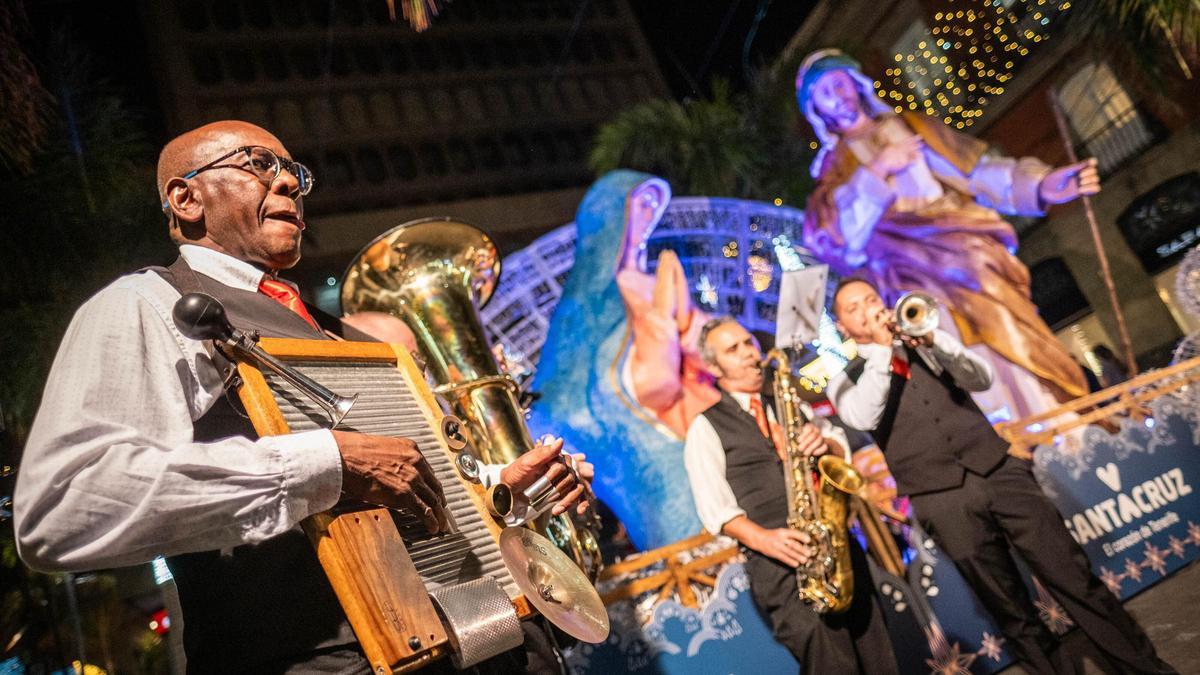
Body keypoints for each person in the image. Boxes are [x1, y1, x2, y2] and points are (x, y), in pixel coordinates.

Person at [14, 121, 591, 674]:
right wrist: (327, 462)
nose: (288, 181)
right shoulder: (147, 304)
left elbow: (412, 488)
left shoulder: (346, 337)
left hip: (491, 642)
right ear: (186, 200)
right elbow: (65, 504)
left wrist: (503, 494)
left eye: (293, 171)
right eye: (259, 164)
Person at [827, 277, 1175, 675]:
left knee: (1076, 580)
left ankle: (1147, 670)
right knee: (1010, 611)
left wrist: (934, 341)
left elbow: (981, 378)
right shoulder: (844, 380)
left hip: (997, 471)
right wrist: (884, 352)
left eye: (870, 299)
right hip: (942, 499)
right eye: (853, 308)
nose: (867, 309)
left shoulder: (923, 337)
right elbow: (864, 415)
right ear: (841, 327)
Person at [797, 49, 1100, 421]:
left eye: (840, 83)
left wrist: (1040, 185)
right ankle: (1002, 428)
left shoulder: (909, 126)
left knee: (1009, 327)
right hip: (904, 272)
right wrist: (877, 170)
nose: (837, 95)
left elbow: (974, 172)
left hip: (963, 251)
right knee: (947, 341)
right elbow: (837, 240)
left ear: (856, 85)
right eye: (825, 92)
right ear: (817, 110)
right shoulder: (832, 172)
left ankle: (1054, 416)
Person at [683, 317, 899, 674]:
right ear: (712, 366)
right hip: (780, 564)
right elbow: (715, 508)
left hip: (837, 546)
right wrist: (764, 540)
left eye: (749, 343)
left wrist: (824, 441)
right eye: (733, 350)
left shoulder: (787, 401)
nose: (749, 354)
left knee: (878, 653)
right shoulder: (705, 426)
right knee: (830, 664)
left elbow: (838, 448)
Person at [531, 170, 718, 550]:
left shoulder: (652, 277)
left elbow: (702, 344)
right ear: (612, 219)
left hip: (693, 415)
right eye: (639, 206)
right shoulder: (588, 303)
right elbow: (572, 393)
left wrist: (703, 331)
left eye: (653, 206)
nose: (648, 216)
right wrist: (662, 321)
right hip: (653, 438)